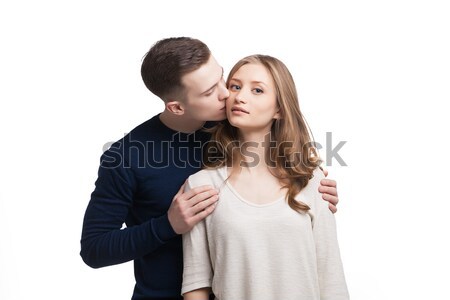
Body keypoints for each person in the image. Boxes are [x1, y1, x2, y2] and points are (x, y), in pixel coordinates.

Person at [80, 37, 341, 300]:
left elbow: (283, 142)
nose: (228, 94)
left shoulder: (232, 124)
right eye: (209, 92)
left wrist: (309, 183)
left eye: (222, 78)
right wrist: (168, 225)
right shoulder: (127, 156)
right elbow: (94, 248)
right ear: (177, 107)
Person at [182, 55, 349, 300]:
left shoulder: (311, 182)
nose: (240, 97)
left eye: (257, 90)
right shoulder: (201, 185)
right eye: (235, 86)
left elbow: (331, 279)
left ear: (279, 109)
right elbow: (196, 286)